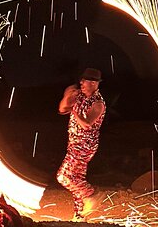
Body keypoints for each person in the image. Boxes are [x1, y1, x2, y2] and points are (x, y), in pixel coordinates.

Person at [56, 67, 106, 220]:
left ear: (94, 83)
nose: (82, 83)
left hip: (85, 145)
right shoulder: (79, 96)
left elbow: (86, 124)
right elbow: (62, 108)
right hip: (74, 143)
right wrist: (67, 96)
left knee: (64, 177)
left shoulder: (98, 103)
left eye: (85, 81)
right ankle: (80, 215)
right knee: (77, 178)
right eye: (82, 81)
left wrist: (74, 112)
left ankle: (91, 194)